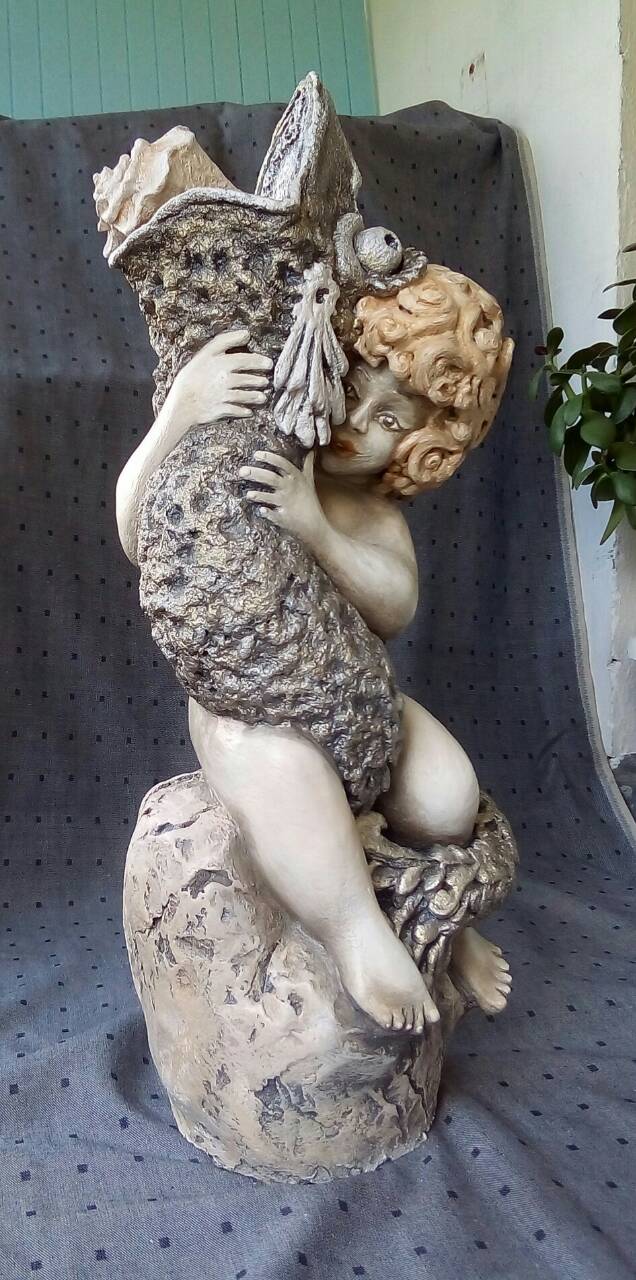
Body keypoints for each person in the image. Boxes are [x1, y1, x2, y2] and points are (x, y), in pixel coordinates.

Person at [117, 265, 513, 1034]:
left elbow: (394, 604)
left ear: (422, 448)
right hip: (246, 703)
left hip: (355, 697)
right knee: (278, 769)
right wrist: (180, 412)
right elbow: (140, 530)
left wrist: (317, 529)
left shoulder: (366, 509)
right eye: (353, 387)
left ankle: (442, 919)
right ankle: (356, 932)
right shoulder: (247, 451)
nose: (355, 421)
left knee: (446, 793)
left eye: (390, 419)